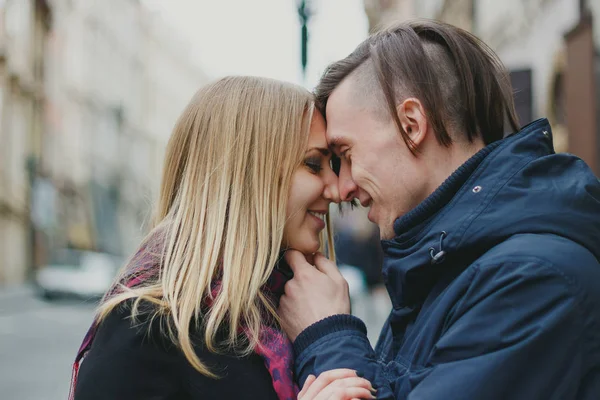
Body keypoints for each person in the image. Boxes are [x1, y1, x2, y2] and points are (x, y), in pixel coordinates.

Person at [278, 19, 600, 399]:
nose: (343, 187)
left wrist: (327, 336)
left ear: (412, 124)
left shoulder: (530, 278)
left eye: (346, 154)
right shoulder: (447, 264)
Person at [69, 76, 375, 400]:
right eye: (314, 164)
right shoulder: (147, 322)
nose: (338, 190)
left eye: (334, 164)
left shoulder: (295, 305)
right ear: (249, 173)